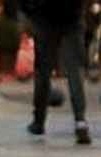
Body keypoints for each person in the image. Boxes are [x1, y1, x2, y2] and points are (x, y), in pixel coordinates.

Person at [23, 0, 90, 143]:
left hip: (45, 15)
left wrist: (30, 9)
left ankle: (39, 120)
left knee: (43, 70)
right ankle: (80, 120)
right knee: (75, 71)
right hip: (73, 16)